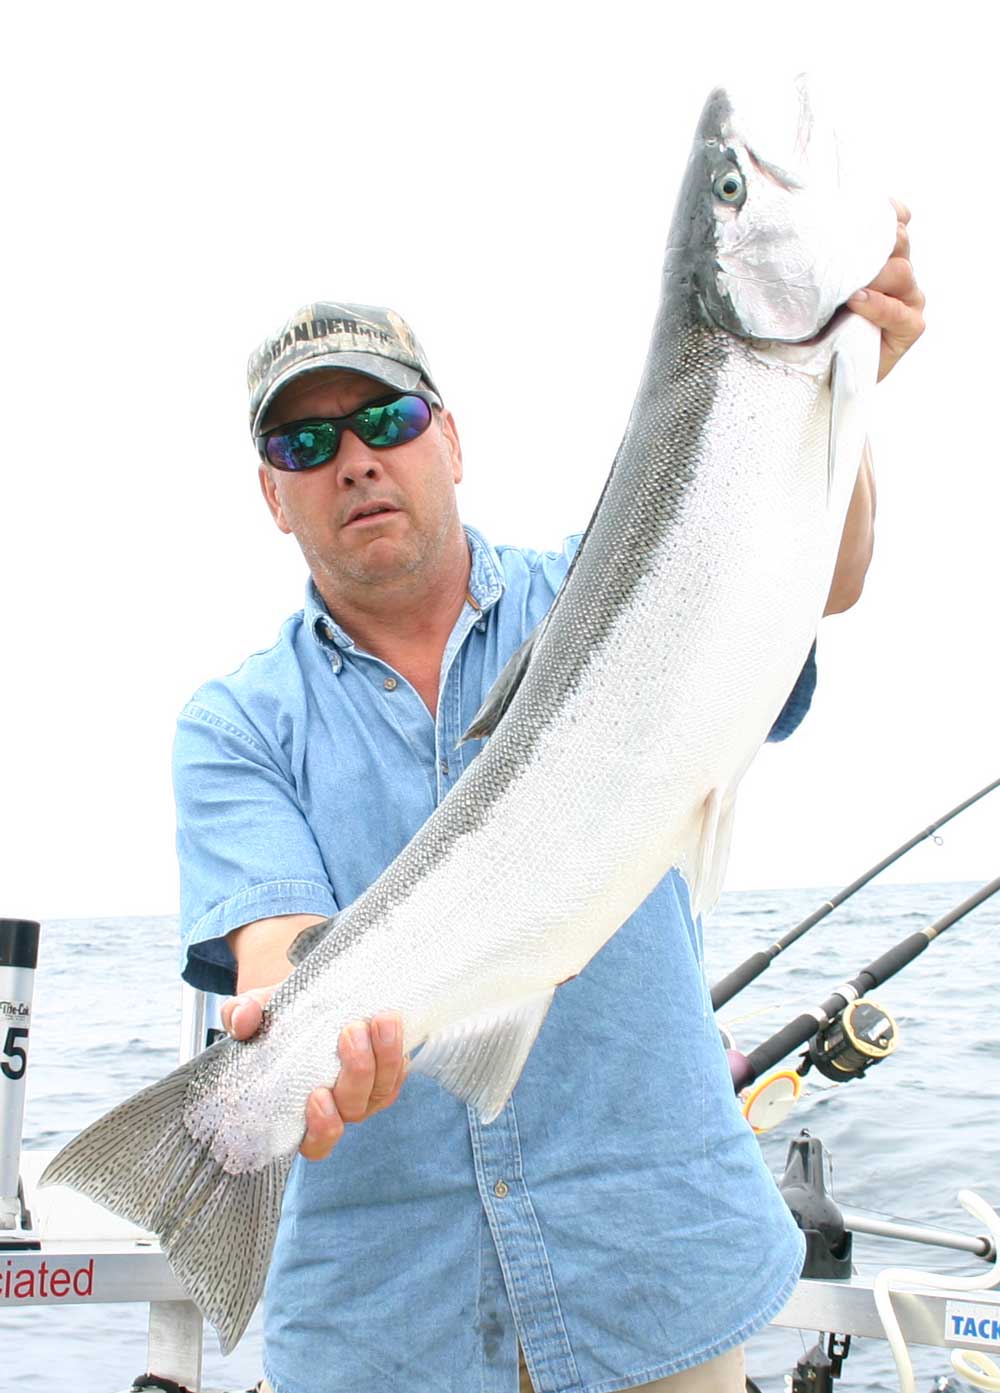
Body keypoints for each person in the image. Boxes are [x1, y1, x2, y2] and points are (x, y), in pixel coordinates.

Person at [173, 210, 925, 1393]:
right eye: (305, 444)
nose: (357, 459)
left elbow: (817, 576)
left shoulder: (608, 590)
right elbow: (280, 953)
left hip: (653, 1284)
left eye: (386, 418)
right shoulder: (235, 726)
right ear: (272, 494)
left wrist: (837, 392)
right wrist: (306, 1052)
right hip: (387, 1331)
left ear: (450, 439)